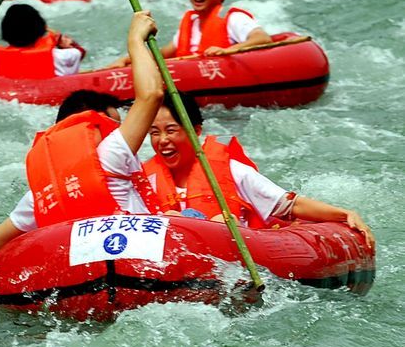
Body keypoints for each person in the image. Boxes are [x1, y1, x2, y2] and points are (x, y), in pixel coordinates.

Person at [0, 10, 164, 252]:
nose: (120, 131)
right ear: (91, 127)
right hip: (136, 260)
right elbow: (151, 94)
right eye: (113, 125)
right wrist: (135, 39)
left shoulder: (43, 193)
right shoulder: (111, 153)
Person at [144, 91, 375, 247]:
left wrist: (344, 214)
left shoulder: (232, 172)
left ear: (195, 131)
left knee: (221, 220)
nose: (162, 140)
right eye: (154, 133)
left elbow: (289, 205)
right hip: (170, 264)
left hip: (226, 257)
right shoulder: (144, 181)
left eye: (171, 130)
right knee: (171, 218)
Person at [108, 0, 272, 68]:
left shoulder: (233, 17)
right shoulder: (191, 21)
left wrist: (227, 51)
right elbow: (165, 53)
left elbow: (262, 39)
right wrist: (129, 60)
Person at [0, 4, 86, 78]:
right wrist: (56, 36)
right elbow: (80, 51)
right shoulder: (63, 56)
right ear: (41, 30)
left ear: (5, 34)